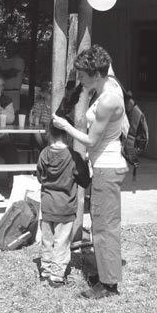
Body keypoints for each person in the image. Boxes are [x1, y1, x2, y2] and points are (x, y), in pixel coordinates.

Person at [52, 44, 129, 299]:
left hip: (108, 169)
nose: (80, 79)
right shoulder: (107, 85)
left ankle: (108, 285)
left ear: (96, 74)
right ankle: (106, 271)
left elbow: (90, 141)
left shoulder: (108, 99)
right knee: (101, 223)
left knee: (104, 226)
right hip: (105, 167)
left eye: (83, 74)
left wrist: (65, 125)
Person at [37, 120, 90, 288]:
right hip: (65, 206)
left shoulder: (44, 153)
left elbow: (40, 177)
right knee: (62, 241)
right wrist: (87, 165)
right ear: (67, 134)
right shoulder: (73, 156)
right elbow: (84, 181)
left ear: (49, 134)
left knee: (47, 239)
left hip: (47, 204)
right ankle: (57, 275)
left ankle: (45, 270)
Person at [29, 81, 52, 148]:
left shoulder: (57, 105)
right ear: (42, 94)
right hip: (43, 135)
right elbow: (35, 126)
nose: (52, 95)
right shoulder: (39, 105)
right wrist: (42, 146)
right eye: (49, 93)